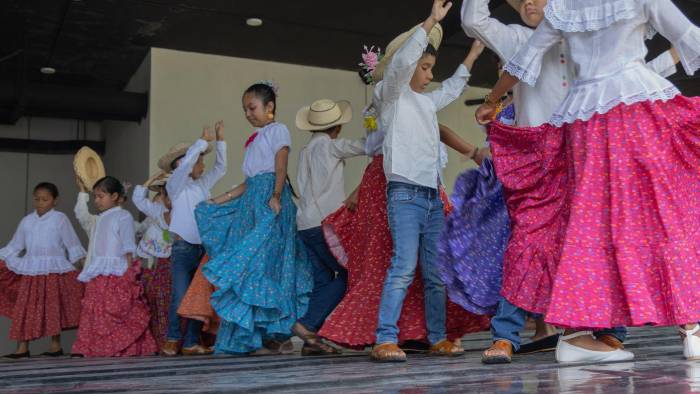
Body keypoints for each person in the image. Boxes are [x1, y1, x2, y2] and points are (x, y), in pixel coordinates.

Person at [476, 0, 700, 363]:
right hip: (637, 108)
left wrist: (491, 99)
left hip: (584, 120)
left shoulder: (564, 7)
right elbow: (690, 38)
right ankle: (692, 329)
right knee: (664, 212)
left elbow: (524, 60)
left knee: (586, 223)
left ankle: (577, 335)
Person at [197, 82, 313, 355]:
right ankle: (252, 339)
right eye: (245, 109)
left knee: (262, 266)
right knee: (249, 269)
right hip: (251, 203)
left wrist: (275, 195)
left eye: (252, 107)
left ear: (269, 106)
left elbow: (280, 166)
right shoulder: (254, 139)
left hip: (269, 202)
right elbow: (247, 183)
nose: (248, 113)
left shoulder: (278, 130)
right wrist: (217, 200)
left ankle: (277, 332)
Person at [292, 98, 366, 355]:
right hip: (325, 223)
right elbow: (367, 146)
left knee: (323, 281)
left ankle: (314, 340)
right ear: (337, 128)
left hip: (304, 223)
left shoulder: (305, 151)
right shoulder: (332, 146)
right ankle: (307, 324)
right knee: (348, 275)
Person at [160, 121, 226, 356]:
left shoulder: (201, 186)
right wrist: (200, 144)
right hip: (183, 248)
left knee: (200, 296)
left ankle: (190, 342)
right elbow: (185, 166)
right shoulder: (175, 185)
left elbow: (221, 169)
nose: (203, 164)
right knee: (180, 295)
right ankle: (172, 338)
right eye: (200, 160)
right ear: (184, 163)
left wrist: (221, 141)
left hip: (203, 249)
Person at [72, 176, 157, 357]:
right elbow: (81, 214)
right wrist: (82, 192)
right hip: (99, 271)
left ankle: (120, 348)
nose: (97, 201)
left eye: (101, 196)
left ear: (115, 196)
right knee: (96, 311)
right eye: (95, 196)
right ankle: (93, 348)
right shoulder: (98, 219)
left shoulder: (123, 216)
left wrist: (129, 273)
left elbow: (128, 244)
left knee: (116, 310)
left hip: (117, 272)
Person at [0, 182, 85, 359]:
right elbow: (16, 245)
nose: (40, 203)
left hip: (54, 271)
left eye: (45, 199)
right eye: (37, 199)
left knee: (53, 308)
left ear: (55, 201)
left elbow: (72, 244)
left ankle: (55, 346)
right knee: (25, 308)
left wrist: (83, 265)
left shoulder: (60, 218)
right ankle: (22, 348)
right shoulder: (27, 221)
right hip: (30, 270)